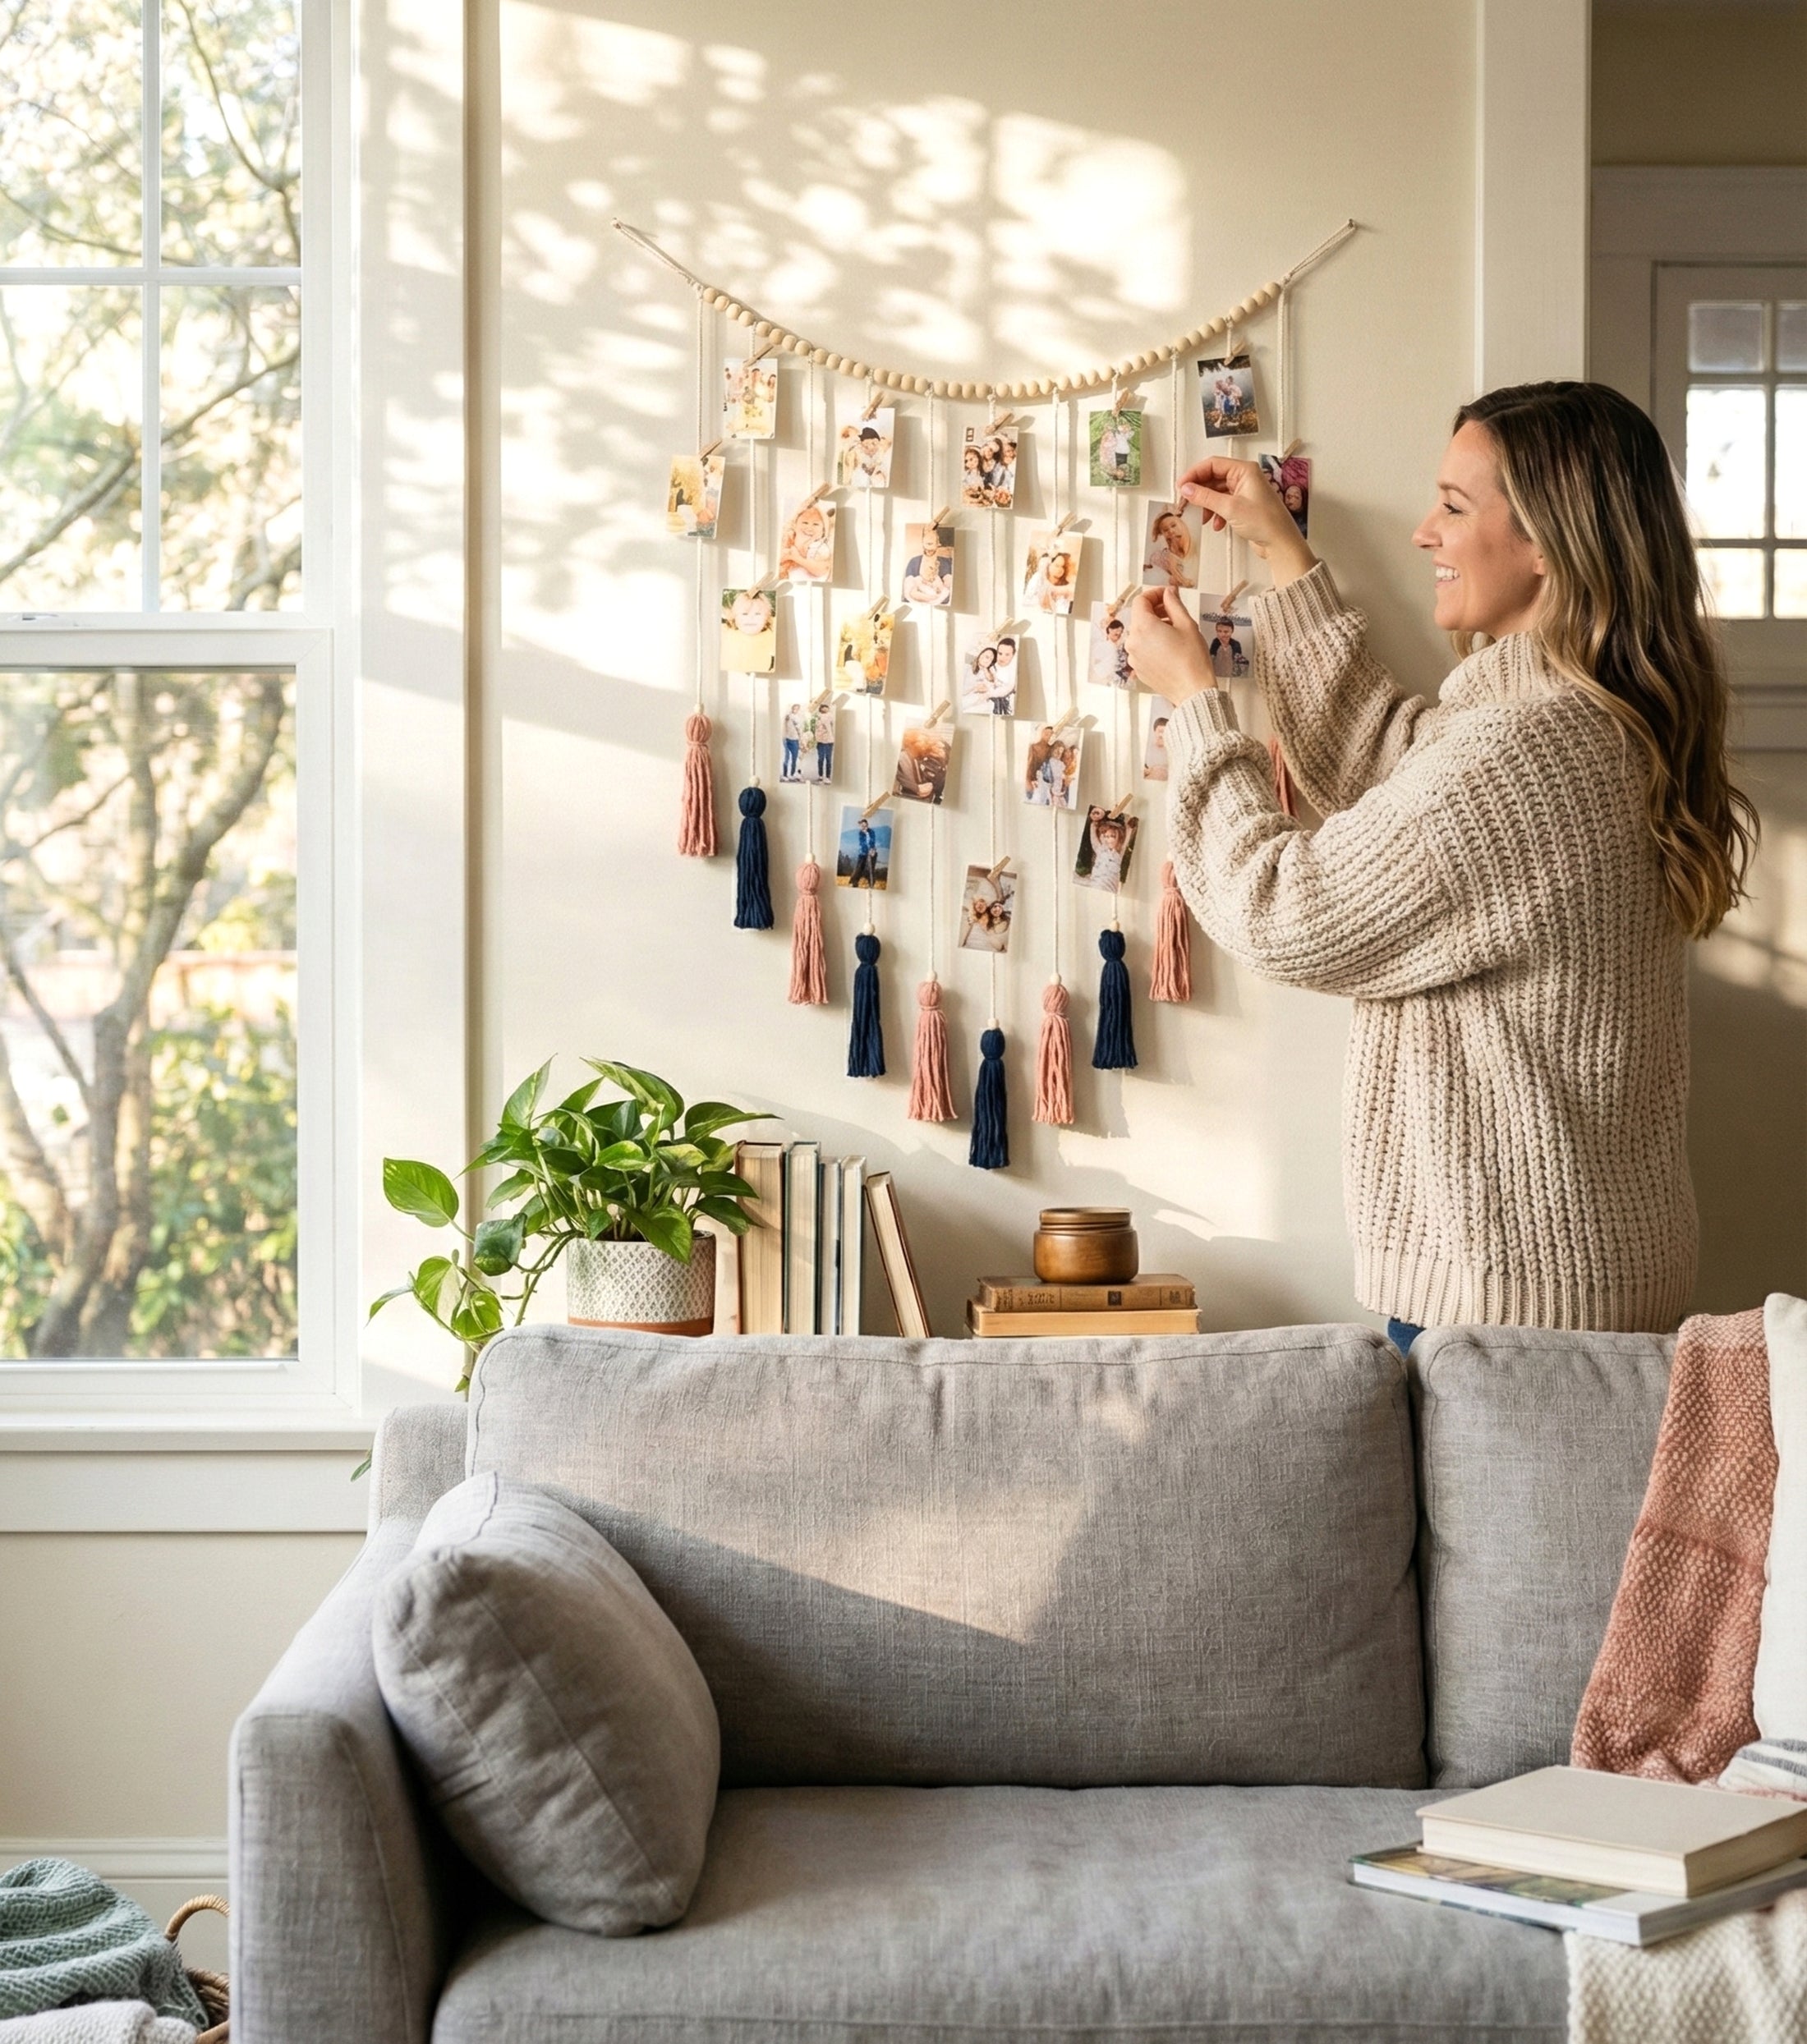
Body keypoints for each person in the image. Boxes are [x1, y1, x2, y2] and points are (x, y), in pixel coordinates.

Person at [1125, 380, 1755, 1348]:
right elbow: (1401, 768)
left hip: (1509, 1317)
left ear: (1549, 542)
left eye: (1454, 507)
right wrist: (1282, 553)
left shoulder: (1528, 749)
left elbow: (1282, 909)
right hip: (1557, 1285)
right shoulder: (1575, 721)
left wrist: (1197, 704)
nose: (1424, 532)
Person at [1144, 508, 1193, 587]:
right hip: (1159, 559)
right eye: (1166, 530)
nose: (1170, 531)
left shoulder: (1184, 536)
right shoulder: (1168, 552)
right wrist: (1184, 581)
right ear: (1162, 533)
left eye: (1173, 526)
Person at [1208, 615, 1248, 680]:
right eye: (1219, 631)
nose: (1222, 634)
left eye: (1226, 632)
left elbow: (1238, 662)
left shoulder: (1236, 644)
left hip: (1231, 674)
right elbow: (1211, 659)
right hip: (1217, 674)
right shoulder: (1215, 643)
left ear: (1232, 631)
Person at [991, 636, 1018, 711]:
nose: (1003, 657)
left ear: (1013, 655)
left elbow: (1009, 687)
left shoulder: (1012, 670)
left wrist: (991, 693)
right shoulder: (993, 667)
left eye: (1007, 655)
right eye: (1000, 653)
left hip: (1006, 700)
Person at [1143, 713, 1169, 781]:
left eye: (1164, 732)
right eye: (1160, 731)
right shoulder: (1146, 749)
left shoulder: (1171, 750)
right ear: (1154, 731)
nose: (1161, 735)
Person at [781, 704, 802, 780]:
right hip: (787, 738)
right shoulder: (788, 716)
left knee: (794, 757)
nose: (796, 710)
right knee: (787, 757)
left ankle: (792, 774)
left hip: (795, 739)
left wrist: (800, 738)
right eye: (794, 709)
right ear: (792, 709)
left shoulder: (798, 718)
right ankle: (785, 774)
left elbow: (799, 729)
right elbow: (784, 725)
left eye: (797, 709)